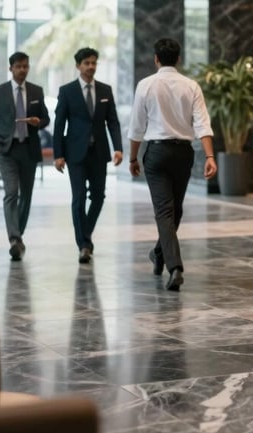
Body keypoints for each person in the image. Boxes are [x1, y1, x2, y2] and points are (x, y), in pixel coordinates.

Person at [128, 38, 216, 292]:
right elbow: (202, 124)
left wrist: (133, 158)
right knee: (173, 210)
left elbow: (136, 127)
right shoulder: (191, 86)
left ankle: (164, 258)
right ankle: (170, 262)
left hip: (156, 153)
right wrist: (210, 157)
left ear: (156, 59)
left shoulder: (145, 85)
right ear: (178, 59)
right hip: (183, 154)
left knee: (168, 212)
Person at [53, 47, 123, 264]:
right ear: (78, 66)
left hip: (99, 152)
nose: (91, 66)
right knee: (79, 197)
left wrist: (118, 148)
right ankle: (83, 245)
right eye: (87, 63)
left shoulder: (105, 90)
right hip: (75, 153)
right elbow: (59, 125)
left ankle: (86, 233)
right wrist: (58, 154)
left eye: (94, 63)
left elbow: (113, 121)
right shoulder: (67, 91)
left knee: (99, 196)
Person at [0, 52, 49, 262]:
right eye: (19, 66)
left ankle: (17, 235)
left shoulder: (36, 91)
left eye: (25, 66)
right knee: (11, 193)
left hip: (29, 148)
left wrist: (38, 122)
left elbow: (46, 118)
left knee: (26, 196)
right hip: (8, 150)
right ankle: (14, 239)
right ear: (10, 68)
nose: (22, 70)